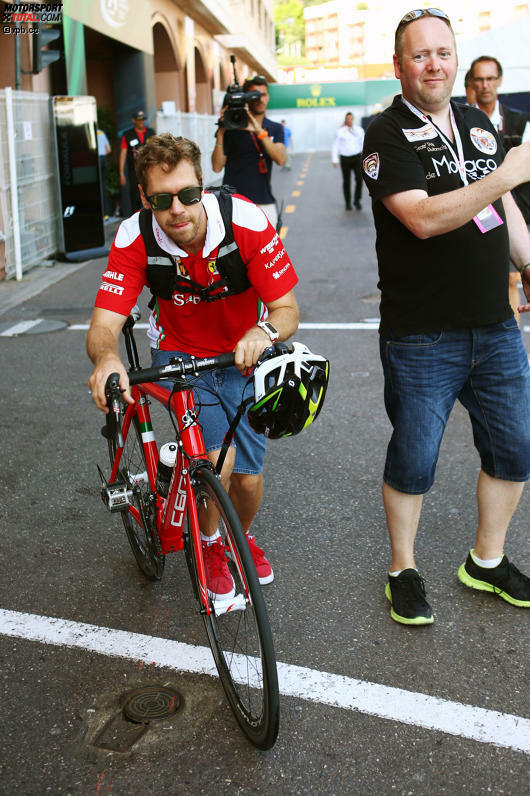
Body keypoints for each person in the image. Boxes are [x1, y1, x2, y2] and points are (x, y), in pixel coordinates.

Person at [361, 8, 530, 626]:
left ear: (455, 59)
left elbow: (504, 207)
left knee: (516, 448)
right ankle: (402, 569)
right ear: (400, 65)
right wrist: (506, 175)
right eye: (419, 54)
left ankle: (486, 561)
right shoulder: (386, 134)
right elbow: (423, 218)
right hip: (422, 334)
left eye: (443, 52)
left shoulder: (479, 123)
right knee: (415, 458)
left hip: (495, 326)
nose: (434, 63)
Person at [87, 134, 299, 599]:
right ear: (145, 198)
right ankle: (208, 543)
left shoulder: (245, 219)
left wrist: (263, 334)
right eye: (163, 200)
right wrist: (107, 359)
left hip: (242, 355)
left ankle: (234, 536)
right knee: (217, 463)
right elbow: (104, 325)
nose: (177, 209)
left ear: (203, 184)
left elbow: (286, 310)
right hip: (180, 357)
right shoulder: (134, 235)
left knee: (248, 478)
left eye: (187, 194)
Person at [469, 55, 530, 320]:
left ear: (499, 81)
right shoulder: (459, 121)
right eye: (480, 79)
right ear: (472, 82)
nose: (485, 85)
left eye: (490, 78)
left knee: (510, 279)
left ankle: (511, 345)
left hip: (518, 212)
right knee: (481, 282)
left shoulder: (520, 121)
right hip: (476, 212)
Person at [211, 76, 285, 228]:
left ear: (268, 97)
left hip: (263, 201)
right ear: (246, 98)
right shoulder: (231, 127)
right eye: (254, 95)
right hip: (232, 203)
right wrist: (221, 132)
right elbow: (217, 167)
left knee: (269, 251)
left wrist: (258, 131)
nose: (260, 99)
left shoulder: (275, 128)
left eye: (263, 95)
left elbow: (280, 159)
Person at [119, 111, 155, 214]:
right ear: (133, 120)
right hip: (134, 171)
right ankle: (136, 222)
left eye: (143, 119)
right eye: (139, 120)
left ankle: (151, 217)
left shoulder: (151, 132)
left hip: (150, 170)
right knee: (135, 197)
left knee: (150, 193)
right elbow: (123, 153)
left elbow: (157, 150)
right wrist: (121, 173)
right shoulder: (127, 135)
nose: (141, 122)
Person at [332, 112, 365, 210]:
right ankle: (348, 203)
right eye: (347, 118)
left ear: (353, 119)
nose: (349, 120)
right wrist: (335, 159)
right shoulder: (340, 131)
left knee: (359, 179)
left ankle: (357, 200)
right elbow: (336, 145)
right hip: (345, 158)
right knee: (347, 181)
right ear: (345, 120)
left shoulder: (359, 130)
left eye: (351, 118)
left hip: (357, 158)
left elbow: (363, 143)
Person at [97, 127, 111, 219]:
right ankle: (106, 214)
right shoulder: (101, 132)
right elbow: (108, 150)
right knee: (103, 187)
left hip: (96, 160)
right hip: (103, 159)